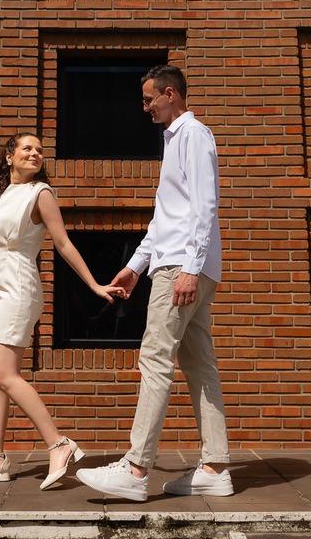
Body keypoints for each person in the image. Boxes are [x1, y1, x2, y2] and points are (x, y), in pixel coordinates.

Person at [76, 65, 232, 502]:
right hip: (181, 265)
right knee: (200, 367)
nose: (144, 107)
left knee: (154, 359)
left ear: (170, 95)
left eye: (149, 99)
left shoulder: (193, 135)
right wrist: (135, 265)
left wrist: (189, 266)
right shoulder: (175, 139)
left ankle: (135, 467)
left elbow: (205, 206)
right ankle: (215, 468)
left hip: (183, 269)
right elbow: (167, 218)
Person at [0, 132, 124, 490]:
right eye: (27, 148)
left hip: (18, 287)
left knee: (5, 375)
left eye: (40, 150)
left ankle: (59, 444)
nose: (35, 154)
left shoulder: (40, 194)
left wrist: (93, 284)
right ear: (8, 157)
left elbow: (62, 242)